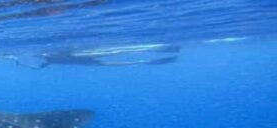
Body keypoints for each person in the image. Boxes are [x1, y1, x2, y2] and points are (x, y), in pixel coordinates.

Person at [12, 44, 180, 69]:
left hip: (82, 58)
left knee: (115, 55)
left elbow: (37, 67)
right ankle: (150, 58)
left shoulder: (48, 58)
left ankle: (155, 52)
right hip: (82, 59)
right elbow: (36, 67)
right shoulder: (48, 58)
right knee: (115, 57)